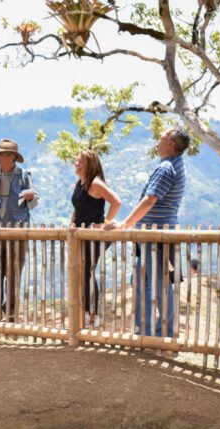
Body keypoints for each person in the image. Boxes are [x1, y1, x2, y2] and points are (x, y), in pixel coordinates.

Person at [104, 128, 190, 337]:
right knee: (141, 280)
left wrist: (125, 224)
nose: (157, 141)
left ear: (170, 143)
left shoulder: (166, 168)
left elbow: (149, 200)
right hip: (154, 232)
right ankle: (146, 328)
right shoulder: (176, 166)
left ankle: (163, 331)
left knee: (159, 282)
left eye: (161, 138)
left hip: (156, 234)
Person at [0, 138, 39, 321]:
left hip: (16, 234)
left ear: (11, 157)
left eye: (0, 155)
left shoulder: (24, 176)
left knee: (13, 274)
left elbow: (34, 202)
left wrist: (29, 197)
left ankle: (10, 312)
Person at [70, 150, 121, 326]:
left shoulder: (96, 184)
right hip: (80, 234)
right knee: (81, 271)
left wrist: (105, 223)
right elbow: (78, 207)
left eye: (80, 161)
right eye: (76, 161)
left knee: (87, 271)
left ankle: (93, 314)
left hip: (94, 235)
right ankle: (85, 311)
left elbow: (116, 201)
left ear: (89, 164)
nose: (76, 164)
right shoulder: (80, 183)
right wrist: (71, 224)